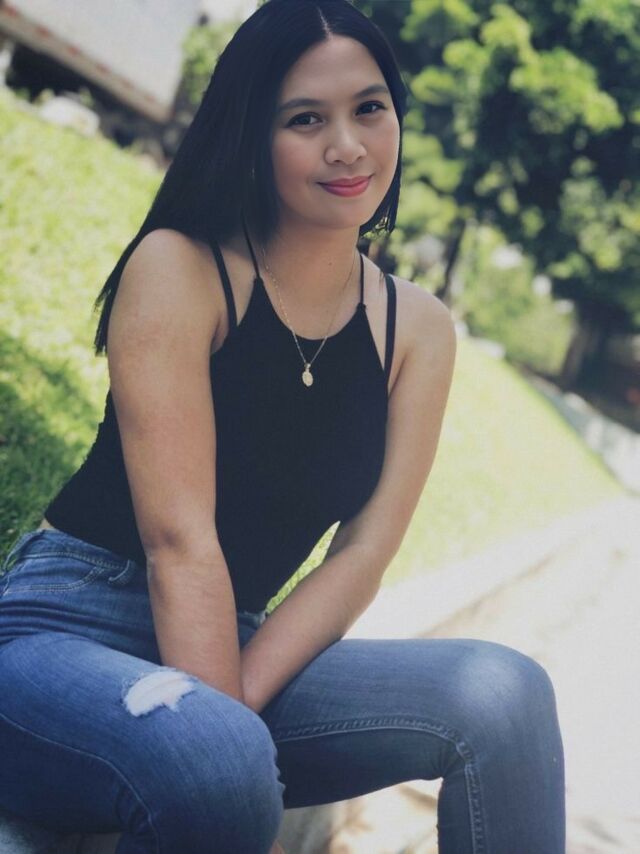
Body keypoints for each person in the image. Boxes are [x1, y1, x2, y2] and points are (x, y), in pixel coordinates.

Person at [0, 1, 566, 851]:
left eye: (369, 108)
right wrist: (218, 729)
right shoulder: (183, 266)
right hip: (67, 632)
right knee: (214, 753)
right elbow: (178, 541)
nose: (349, 146)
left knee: (503, 695)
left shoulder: (417, 329)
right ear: (252, 135)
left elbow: (363, 553)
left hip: (234, 642)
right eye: (306, 119)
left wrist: (230, 704)